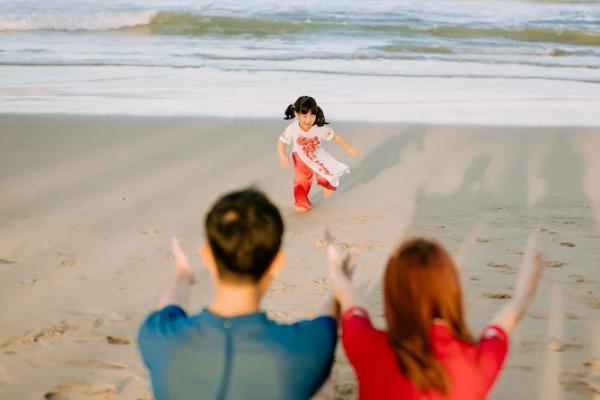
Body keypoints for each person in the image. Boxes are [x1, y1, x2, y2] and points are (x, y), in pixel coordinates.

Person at [138, 188, 339, 400]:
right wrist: (339, 283)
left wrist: (183, 275)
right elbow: (328, 318)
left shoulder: (156, 336)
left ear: (207, 256)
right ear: (278, 262)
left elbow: (170, 308)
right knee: (322, 386)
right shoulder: (309, 345)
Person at [325, 233, 544, 400]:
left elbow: (350, 303)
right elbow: (501, 327)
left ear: (393, 294)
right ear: (452, 290)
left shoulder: (367, 347)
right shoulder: (477, 362)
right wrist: (522, 297)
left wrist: (337, 273)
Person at [278, 95, 359, 212]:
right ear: (296, 114)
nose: (308, 119)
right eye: (304, 116)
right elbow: (282, 141)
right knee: (301, 180)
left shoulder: (320, 128)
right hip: (299, 156)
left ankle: (327, 184)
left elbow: (335, 137)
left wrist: (348, 148)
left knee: (327, 174)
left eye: (312, 115)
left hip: (317, 155)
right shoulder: (292, 128)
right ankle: (301, 202)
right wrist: (283, 155)